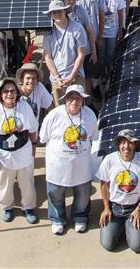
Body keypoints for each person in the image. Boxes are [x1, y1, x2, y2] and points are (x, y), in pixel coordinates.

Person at [40, 84, 99, 235]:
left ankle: (80, 217)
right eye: (71, 98)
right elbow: (43, 137)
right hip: (57, 166)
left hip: (82, 166)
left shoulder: (90, 114)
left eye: (78, 98)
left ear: (83, 100)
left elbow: (94, 136)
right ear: (65, 99)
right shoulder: (54, 115)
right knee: (55, 193)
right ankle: (57, 219)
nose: (74, 102)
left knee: (83, 194)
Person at [0, 77, 40, 223]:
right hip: (2, 154)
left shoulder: (24, 106)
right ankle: (7, 207)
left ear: (17, 93)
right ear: (0, 93)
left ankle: (28, 208)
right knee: (4, 183)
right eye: (6, 91)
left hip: (23, 150)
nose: (9, 94)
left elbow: (32, 129)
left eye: (12, 91)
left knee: (27, 182)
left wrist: (33, 146)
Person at [97, 129, 140, 253]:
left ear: (134, 145)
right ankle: (120, 227)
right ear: (118, 145)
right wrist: (106, 208)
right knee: (107, 244)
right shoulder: (109, 160)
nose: (126, 146)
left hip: (133, 209)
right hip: (114, 209)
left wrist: (139, 208)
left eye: (130, 143)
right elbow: (104, 184)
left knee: (137, 246)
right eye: (123, 142)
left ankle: (130, 226)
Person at [43, 0, 89, 100]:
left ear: (65, 11)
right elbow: (48, 57)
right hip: (57, 79)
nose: (57, 14)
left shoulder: (77, 28)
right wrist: (57, 78)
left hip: (75, 77)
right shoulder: (48, 32)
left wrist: (71, 76)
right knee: (59, 110)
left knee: (77, 108)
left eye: (59, 11)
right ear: (51, 15)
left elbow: (81, 54)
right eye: (54, 12)